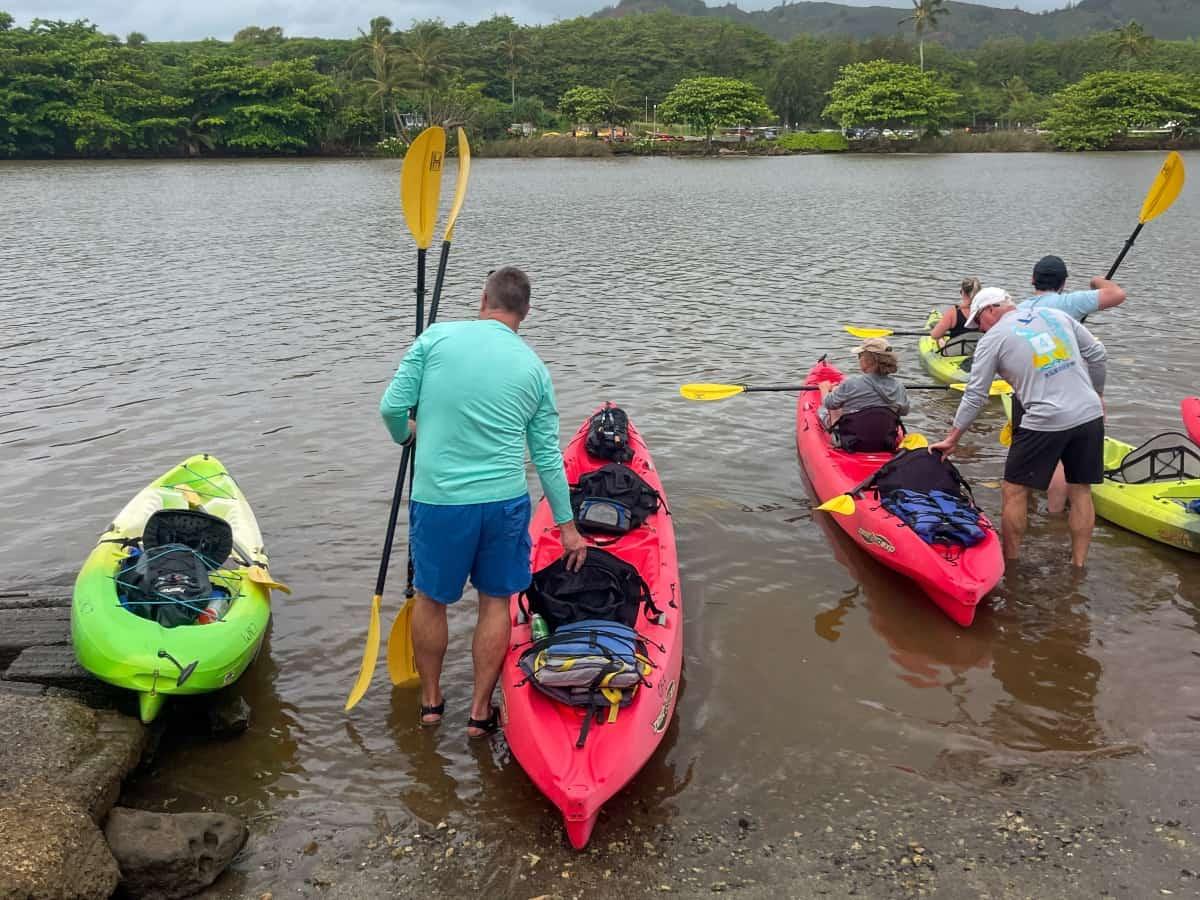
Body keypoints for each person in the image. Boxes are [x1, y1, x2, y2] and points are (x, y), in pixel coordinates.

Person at [379, 266, 588, 737]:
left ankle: (432, 704)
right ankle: (479, 712)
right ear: (525, 312)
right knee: (495, 603)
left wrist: (406, 436)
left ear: (482, 299)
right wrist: (567, 526)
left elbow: (391, 408)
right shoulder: (534, 368)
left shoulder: (435, 340)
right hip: (503, 502)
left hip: (439, 502)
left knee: (431, 600)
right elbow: (548, 457)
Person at [930, 288, 1108, 568]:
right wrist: (1097, 394)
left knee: (1014, 490)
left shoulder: (993, 339)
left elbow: (976, 394)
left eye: (979, 322)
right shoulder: (1056, 315)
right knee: (1080, 490)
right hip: (1089, 414)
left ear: (990, 311)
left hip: (1044, 420)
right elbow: (1097, 355)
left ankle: (1010, 563)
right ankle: (1078, 565)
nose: (980, 329)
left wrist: (953, 437)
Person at [1016, 255, 1126, 512]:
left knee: (1028, 449)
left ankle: (1028, 505)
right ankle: (1054, 517)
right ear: (1064, 282)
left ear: (1033, 280)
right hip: (1068, 389)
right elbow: (1117, 294)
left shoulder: (1019, 309)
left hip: (1028, 389)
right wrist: (1096, 281)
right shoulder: (1070, 301)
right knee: (1060, 461)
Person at [819, 337, 910, 451]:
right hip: (886, 443)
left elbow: (829, 403)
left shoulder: (851, 383)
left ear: (868, 360)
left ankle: (835, 438)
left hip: (852, 442)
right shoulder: (899, 386)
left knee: (826, 410)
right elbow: (904, 411)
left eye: (859, 356)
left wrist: (825, 389)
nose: (859, 359)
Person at [929, 276, 983, 343]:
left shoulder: (954, 312)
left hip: (957, 351)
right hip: (979, 350)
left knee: (939, 339)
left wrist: (940, 338)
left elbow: (935, 335)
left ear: (962, 292)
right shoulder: (986, 311)